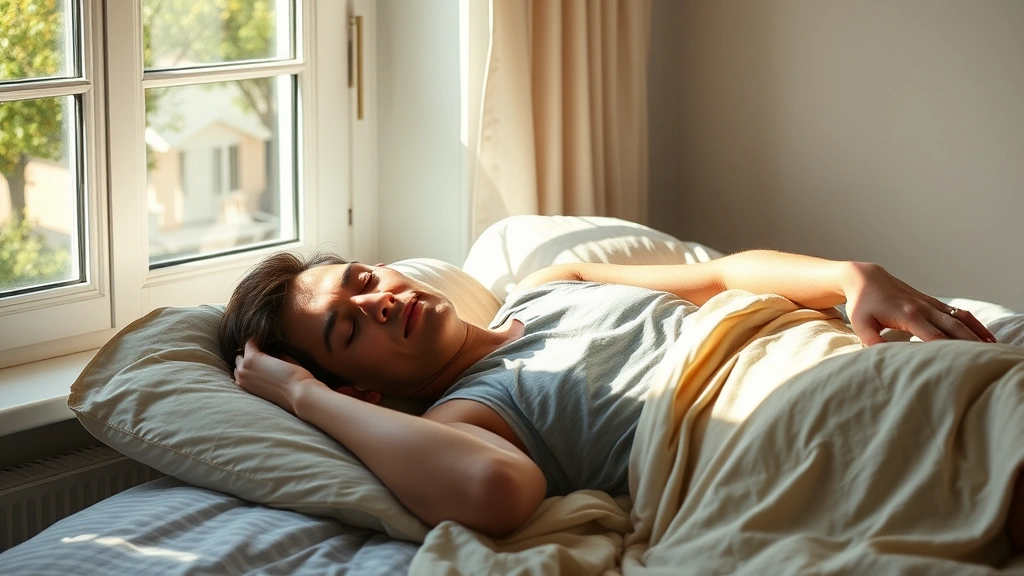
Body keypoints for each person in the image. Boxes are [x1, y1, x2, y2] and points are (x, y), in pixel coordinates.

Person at [219, 248, 1022, 550]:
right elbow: (496, 490)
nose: (378, 301)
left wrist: (853, 277)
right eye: (347, 327)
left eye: (363, 280)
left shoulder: (549, 283)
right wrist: (304, 398)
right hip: (771, 428)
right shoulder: (466, 416)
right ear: (358, 388)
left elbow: (719, 275)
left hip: (814, 354)